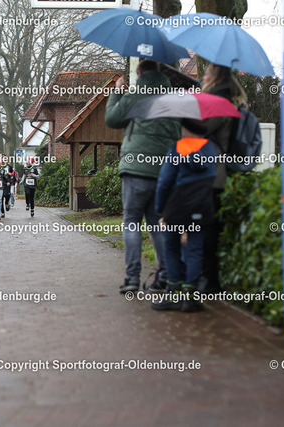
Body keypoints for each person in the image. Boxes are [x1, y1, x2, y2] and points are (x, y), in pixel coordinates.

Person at [105, 60, 182, 294]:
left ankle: (131, 279)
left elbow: (112, 119)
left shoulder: (135, 95)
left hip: (135, 170)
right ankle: (164, 278)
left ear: (139, 73)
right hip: (163, 172)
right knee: (158, 225)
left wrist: (118, 91)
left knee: (131, 222)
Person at [151, 119, 217, 312]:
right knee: (195, 250)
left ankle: (174, 294)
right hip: (201, 206)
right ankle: (190, 298)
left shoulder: (177, 149)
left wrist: (160, 208)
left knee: (171, 248)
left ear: (186, 129)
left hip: (176, 206)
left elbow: (164, 182)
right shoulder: (210, 149)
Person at [200, 63, 249, 294]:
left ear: (215, 77)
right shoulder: (233, 100)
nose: (202, 77)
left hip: (212, 171)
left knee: (207, 227)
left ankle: (210, 282)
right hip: (224, 170)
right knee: (212, 226)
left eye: (206, 74)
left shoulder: (218, 102)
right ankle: (211, 279)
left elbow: (200, 129)